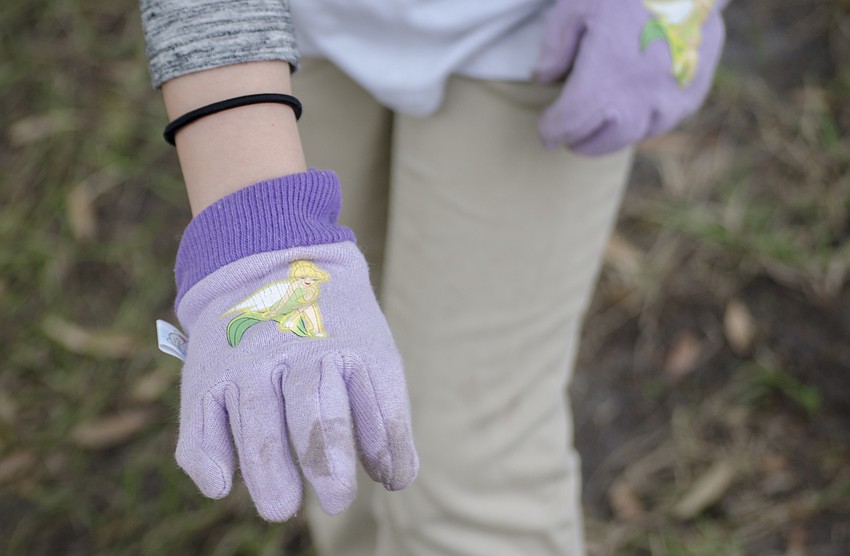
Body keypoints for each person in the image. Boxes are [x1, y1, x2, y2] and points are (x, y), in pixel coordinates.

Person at [139, 0, 727, 554]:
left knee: (475, 483)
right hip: (280, 44)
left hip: (535, 39)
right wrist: (254, 225)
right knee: (333, 430)